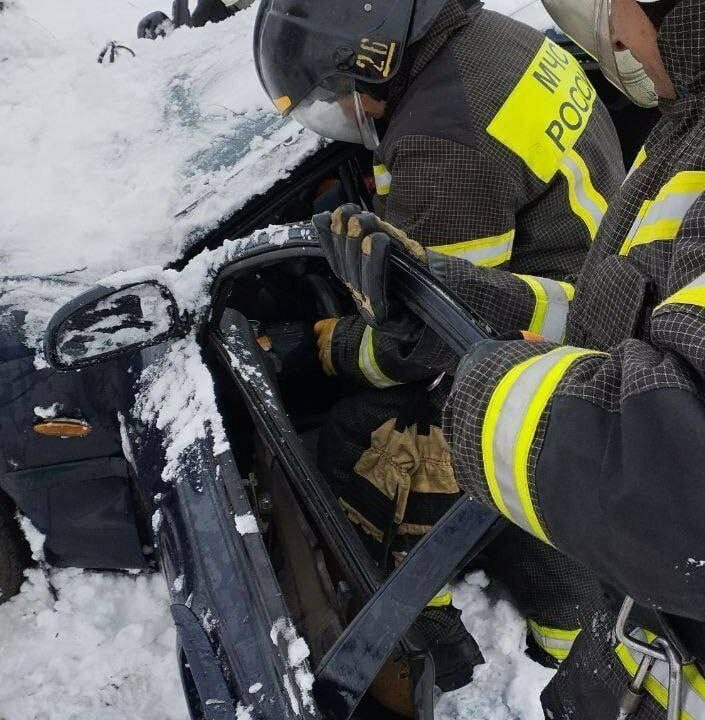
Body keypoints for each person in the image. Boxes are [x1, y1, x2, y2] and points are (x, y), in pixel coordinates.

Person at [309, 0, 705, 717]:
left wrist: (480, 384)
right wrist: (455, 307)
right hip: (661, 651)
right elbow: (650, 322)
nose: (602, 39)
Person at [253, 0, 626, 700]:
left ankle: (519, 633)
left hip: (553, 336)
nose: (339, 106)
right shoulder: (485, 37)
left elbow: (433, 340)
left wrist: (328, 348)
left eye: (337, 88)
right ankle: (565, 618)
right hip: (597, 282)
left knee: (369, 438)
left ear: (375, 55)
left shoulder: (441, 143)